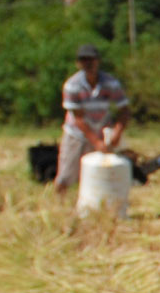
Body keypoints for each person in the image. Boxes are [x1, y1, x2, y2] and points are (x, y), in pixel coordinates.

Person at [55, 43, 129, 190]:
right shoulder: (72, 85)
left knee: (104, 174)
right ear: (78, 63)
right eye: (84, 60)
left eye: (91, 59)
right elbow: (79, 119)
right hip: (76, 134)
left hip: (103, 131)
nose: (88, 64)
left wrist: (117, 133)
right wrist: (96, 142)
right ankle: (60, 205)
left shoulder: (111, 83)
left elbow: (124, 110)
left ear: (98, 61)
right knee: (67, 174)